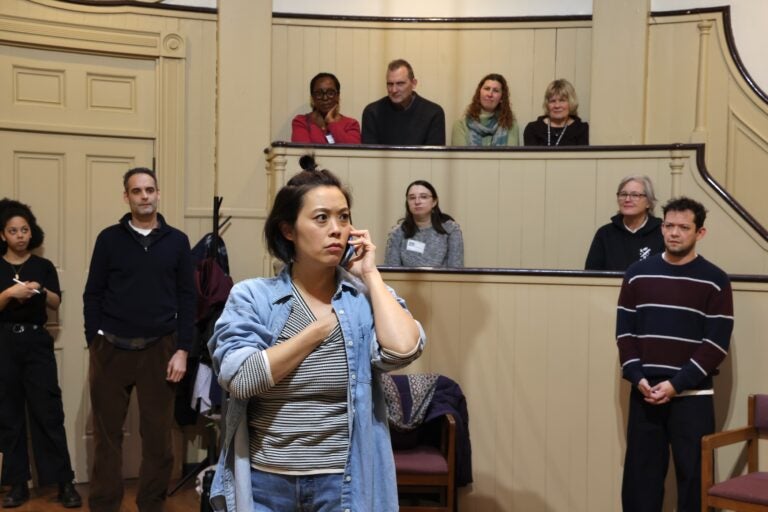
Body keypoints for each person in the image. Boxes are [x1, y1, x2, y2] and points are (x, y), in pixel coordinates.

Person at [207, 155, 425, 511]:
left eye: (343, 217)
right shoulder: (254, 296)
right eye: (321, 218)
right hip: (266, 480)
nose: (336, 229)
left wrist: (370, 275)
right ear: (288, 230)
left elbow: (402, 350)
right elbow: (241, 378)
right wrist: (316, 331)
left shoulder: (362, 297)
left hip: (341, 481)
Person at [83, 168, 195, 512]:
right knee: (107, 437)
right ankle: (104, 505)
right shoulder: (108, 239)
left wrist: (183, 349)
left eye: (149, 190)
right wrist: (95, 338)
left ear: (158, 193)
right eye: (136, 191)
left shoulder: (177, 241)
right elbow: (93, 293)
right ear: (126, 197)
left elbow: (187, 297)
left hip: (161, 349)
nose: (144, 196)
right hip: (111, 349)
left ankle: (151, 505)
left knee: (159, 440)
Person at [616, 196, 734, 512]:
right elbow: (625, 334)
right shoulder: (637, 273)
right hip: (645, 392)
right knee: (641, 480)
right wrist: (638, 377)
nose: (674, 233)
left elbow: (715, 344)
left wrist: (677, 384)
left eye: (684, 227)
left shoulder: (716, 280)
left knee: (695, 479)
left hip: (693, 395)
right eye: (669, 225)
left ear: (700, 233)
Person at [0, 199, 81, 509]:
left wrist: (39, 290)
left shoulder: (43, 266)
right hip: (4, 343)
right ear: (2, 235)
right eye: (13, 231)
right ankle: (17, 484)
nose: (20, 235)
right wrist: (9, 294)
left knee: (48, 413)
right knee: (8, 415)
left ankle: (64, 483)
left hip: (36, 343)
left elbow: (56, 303)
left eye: (24, 229)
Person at [585, 175, 664, 271]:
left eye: (635, 195)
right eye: (623, 194)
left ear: (648, 202)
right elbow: (591, 274)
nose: (627, 199)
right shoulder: (605, 233)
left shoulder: (662, 232)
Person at [361, 59, 446, 145]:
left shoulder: (433, 113)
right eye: (390, 84)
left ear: (414, 83)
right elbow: (369, 155)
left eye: (400, 83)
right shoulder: (372, 112)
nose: (394, 90)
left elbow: (433, 157)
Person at [384, 180, 464, 267]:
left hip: (442, 280)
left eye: (423, 197)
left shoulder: (451, 229)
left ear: (434, 202)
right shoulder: (398, 232)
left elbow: (456, 270)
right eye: (412, 198)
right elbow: (392, 272)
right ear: (407, 203)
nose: (417, 202)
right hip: (406, 280)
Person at [451, 73, 520, 146]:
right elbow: (462, 157)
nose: (490, 94)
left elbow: (510, 156)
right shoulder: (460, 125)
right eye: (487, 89)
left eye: (496, 90)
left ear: (502, 98)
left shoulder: (510, 125)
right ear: (479, 93)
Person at [291, 72, 361, 144]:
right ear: (312, 97)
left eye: (330, 93)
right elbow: (303, 152)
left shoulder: (350, 124)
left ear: (338, 96)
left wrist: (331, 123)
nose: (325, 98)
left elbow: (352, 150)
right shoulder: (301, 122)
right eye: (319, 93)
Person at [523, 78, 589, 146]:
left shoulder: (582, 129)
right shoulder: (532, 129)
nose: (557, 106)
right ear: (547, 104)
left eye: (562, 100)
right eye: (552, 101)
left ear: (571, 102)